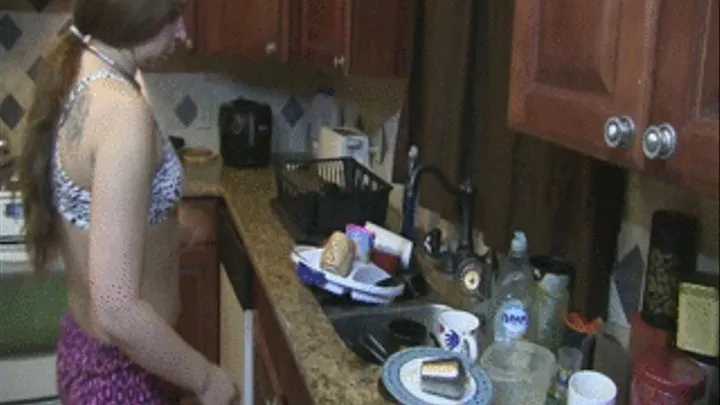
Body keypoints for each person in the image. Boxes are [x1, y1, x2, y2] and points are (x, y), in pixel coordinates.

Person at [17, 1, 240, 404]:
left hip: (92, 355)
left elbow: (96, 209)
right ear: (137, 12)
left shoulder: (84, 71)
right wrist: (207, 379)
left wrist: (172, 225)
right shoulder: (122, 113)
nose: (183, 33)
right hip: (118, 378)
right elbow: (117, 310)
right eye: (172, 17)